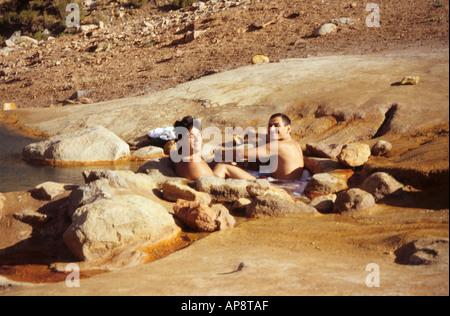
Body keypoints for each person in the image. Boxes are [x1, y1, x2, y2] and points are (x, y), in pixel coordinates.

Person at [213, 113, 304, 181]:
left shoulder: (277, 146)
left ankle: (212, 193)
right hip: (295, 185)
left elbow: (241, 154)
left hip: (281, 188)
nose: (272, 129)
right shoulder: (293, 143)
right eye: (269, 126)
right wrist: (254, 134)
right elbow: (270, 137)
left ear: (288, 128)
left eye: (276, 126)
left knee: (223, 166)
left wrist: (220, 151)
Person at [170, 116, 215, 181]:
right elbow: (215, 183)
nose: (197, 139)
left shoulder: (178, 156)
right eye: (191, 136)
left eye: (198, 135)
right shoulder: (195, 165)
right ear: (180, 141)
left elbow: (173, 148)